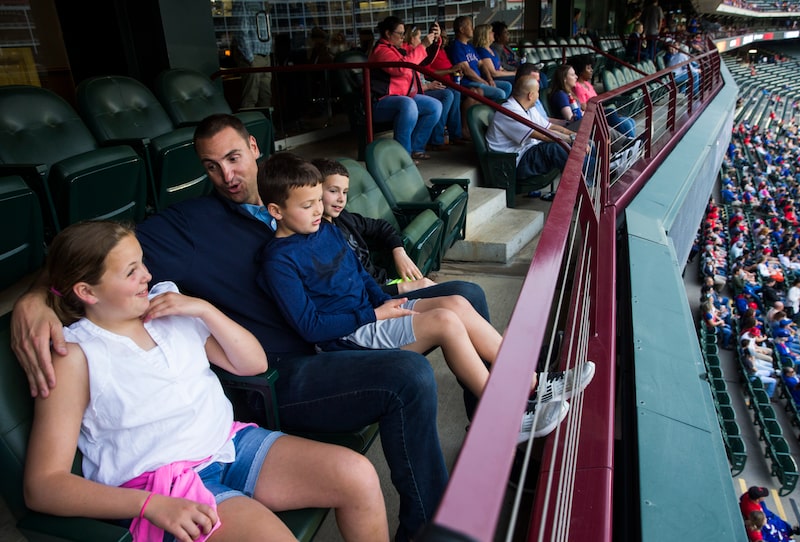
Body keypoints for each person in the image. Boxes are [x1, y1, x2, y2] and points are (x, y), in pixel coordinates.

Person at [10, 113, 491, 542]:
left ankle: (499, 422)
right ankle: (430, 525)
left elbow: (358, 234)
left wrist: (388, 291)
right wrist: (33, 299)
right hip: (291, 365)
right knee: (406, 379)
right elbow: (88, 259)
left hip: (337, 325)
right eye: (211, 166)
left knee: (466, 295)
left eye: (234, 158)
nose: (227, 175)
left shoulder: (298, 191)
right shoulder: (191, 226)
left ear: (256, 148)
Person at [23, 220, 388, 542]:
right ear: (87, 292)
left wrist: (203, 309)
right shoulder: (76, 355)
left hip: (228, 443)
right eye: (131, 271)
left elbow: (252, 362)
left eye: (143, 263)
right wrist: (149, 505)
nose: (146, 276)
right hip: (162, 486)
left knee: (357, 475)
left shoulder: (167, 305)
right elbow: (43, 486)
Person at [254, 153, 595, 443]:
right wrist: (375, 315)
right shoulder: (278, 260)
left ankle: (533, 383)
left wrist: (384, 304)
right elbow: (311, 327)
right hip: (349, 337)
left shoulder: (325, 229)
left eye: (319, 201)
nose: (319, 210)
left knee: (457, 303)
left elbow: (358, 275)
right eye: (308, 205)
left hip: (373, 313)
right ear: (276, 210)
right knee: (445, 322)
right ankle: (503, 417)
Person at [311, 157, 436, 294]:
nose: (341, 199)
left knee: (456, 294)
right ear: (315, 192)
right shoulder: (318, 237)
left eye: (345, 192)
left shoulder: (342, 218)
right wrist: (403, 288)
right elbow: (349, 292)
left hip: (385, 284)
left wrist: (399, 251)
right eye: (333, 191)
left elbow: (381, 226)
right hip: (374, 297)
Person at [368, 16, 442, 161]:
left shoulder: (398, 49)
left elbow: (422, 59)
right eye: (400, 33)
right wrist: (423, 46)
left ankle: (416, 148)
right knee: (408, 105)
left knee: (434, 106)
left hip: (403, 97)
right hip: (380, 102)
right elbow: (401, 68)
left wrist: (434, 41)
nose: (403, 37)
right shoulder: (381, 51)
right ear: (388, 34)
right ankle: (403, 156)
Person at [485, 75, 575, 192]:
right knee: (555, 149)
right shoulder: (509, 111)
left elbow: (550, 128)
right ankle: (591, 177)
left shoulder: (529, 108)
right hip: (514, 163)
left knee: (569, 146)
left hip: (527, 154)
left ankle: (594, 171)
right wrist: (572, 140)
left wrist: (573, 135)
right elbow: (543, 135)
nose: (538, 95)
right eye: (537, 92)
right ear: (530, 95)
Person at [402, 24, 456, 152]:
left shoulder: (416, 51)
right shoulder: (407, 51)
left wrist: (436, 41)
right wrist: (428, 86)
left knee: (450, 93)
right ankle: (428, 143)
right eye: (419, 38)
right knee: (443, 98)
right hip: (412, 93)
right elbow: (409, 81)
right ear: (411, 38)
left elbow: (427, 59)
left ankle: (437, 138)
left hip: (422, 88)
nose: (421, 41)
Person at [569, 54, 636, 138]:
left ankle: (633, 144)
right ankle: (632, 144)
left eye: (591, 67)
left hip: (600, 112)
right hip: (594, 117)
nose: (591, 70)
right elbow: (585, 107)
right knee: (623, 121)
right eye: (588, 68)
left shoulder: (587, 84)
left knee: (630, 121)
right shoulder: (577, 87)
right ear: (581, 70)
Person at [448, 16, 511, 101]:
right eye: (470, 26)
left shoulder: (470, 46)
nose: (473, 29)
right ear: (462, 29)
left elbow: (481, 64)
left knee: (507, 86)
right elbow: (466, 70)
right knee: (500, 93)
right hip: (468, 83)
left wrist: (489, 79)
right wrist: (482, 81)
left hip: (480, 80)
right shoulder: (457, 47)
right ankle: (496, 113)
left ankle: (495, 109)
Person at [233, 0, 273, 109]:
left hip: (265, 54)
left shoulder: (263, 4)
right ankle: (249, 124)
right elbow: (240, 32)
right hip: (253, 56)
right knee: (251, 97)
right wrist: (250, 58)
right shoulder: (243, 3)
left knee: (265, 96)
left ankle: (267, 124)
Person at [473, 24, 514, 89]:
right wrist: (514, 73)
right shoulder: (481, 51)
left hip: (500, 76)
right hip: (494, 79)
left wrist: (512, 73)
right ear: (485, 35)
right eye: (490, 32)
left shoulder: (491, 49)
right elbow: (493, 73)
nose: (493, 33)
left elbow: (501, 68)